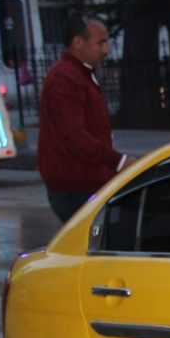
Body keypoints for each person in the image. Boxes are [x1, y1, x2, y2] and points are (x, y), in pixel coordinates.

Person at [38, 14, 136, 222]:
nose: (107, 50)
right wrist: (118, 161)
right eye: (100, 43)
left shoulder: (77, 74)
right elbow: (73, 135)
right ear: (78, 43)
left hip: (84, 183)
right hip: (75, 187)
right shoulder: (65, 77)